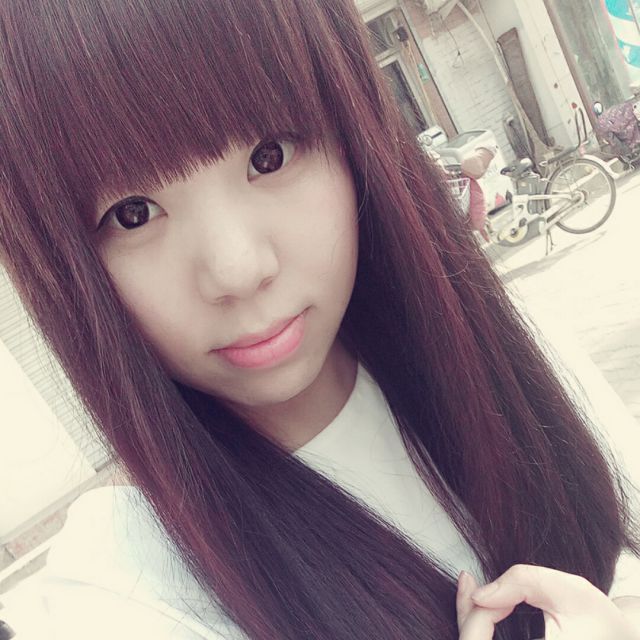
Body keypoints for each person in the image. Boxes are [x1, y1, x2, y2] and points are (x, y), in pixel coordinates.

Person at [0, 1, 639, 638]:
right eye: (132, 214)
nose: (238, 269)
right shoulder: (122, 590)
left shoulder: (507, 360)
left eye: (269, 156)